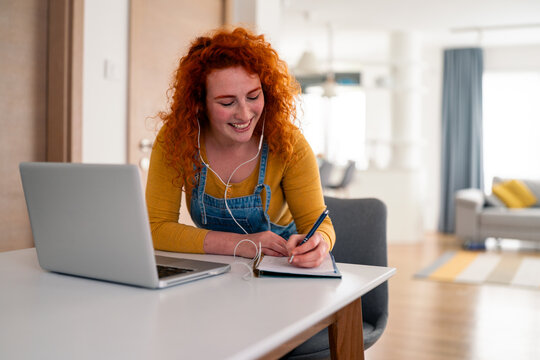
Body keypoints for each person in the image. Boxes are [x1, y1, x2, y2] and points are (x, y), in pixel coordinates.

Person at [145, 26, 335, 268]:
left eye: (254, 97)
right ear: (199, 104)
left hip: (284, 267)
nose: (244, 114)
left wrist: (321, 242)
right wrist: (242, 244)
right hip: (217, 269)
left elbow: (321, 224)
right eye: (227, 102)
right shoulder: (177, 138)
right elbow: (156, 228)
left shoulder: (289, 143)